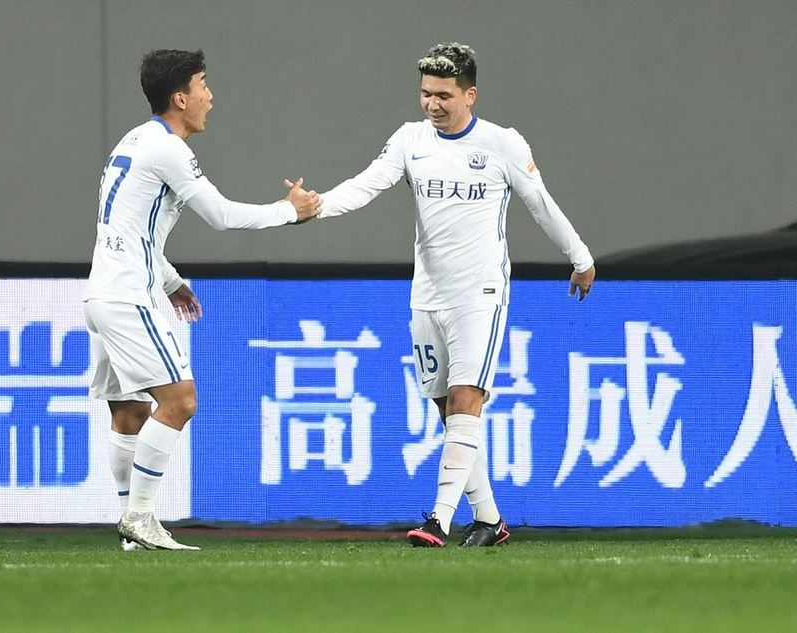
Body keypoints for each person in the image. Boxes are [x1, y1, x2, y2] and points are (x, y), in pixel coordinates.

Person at [314, 42, 595, 547]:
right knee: (450, 413)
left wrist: (580, 257)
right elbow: (365, 186)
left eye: (443, 95)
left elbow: (541, 203)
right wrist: (316, 206)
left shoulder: (502, 144)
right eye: (426, 93)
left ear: (470, 95)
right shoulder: (409, 140)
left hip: (480, 293)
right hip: (427, 295)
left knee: (468, 401)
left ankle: (438, 520)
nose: (432, 104)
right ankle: (489, 521)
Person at [84, 49, 321, 551]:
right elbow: (221, 216)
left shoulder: (134, 139)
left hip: (103, 292)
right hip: (128, 295)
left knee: (128, 413)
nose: (210, 97)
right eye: (203, 85)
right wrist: (290, 211)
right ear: (180, 98)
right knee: (180, 400)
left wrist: (170, 280)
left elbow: (127, 226)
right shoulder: (168, 148)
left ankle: (132, 531)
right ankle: (140, 517)